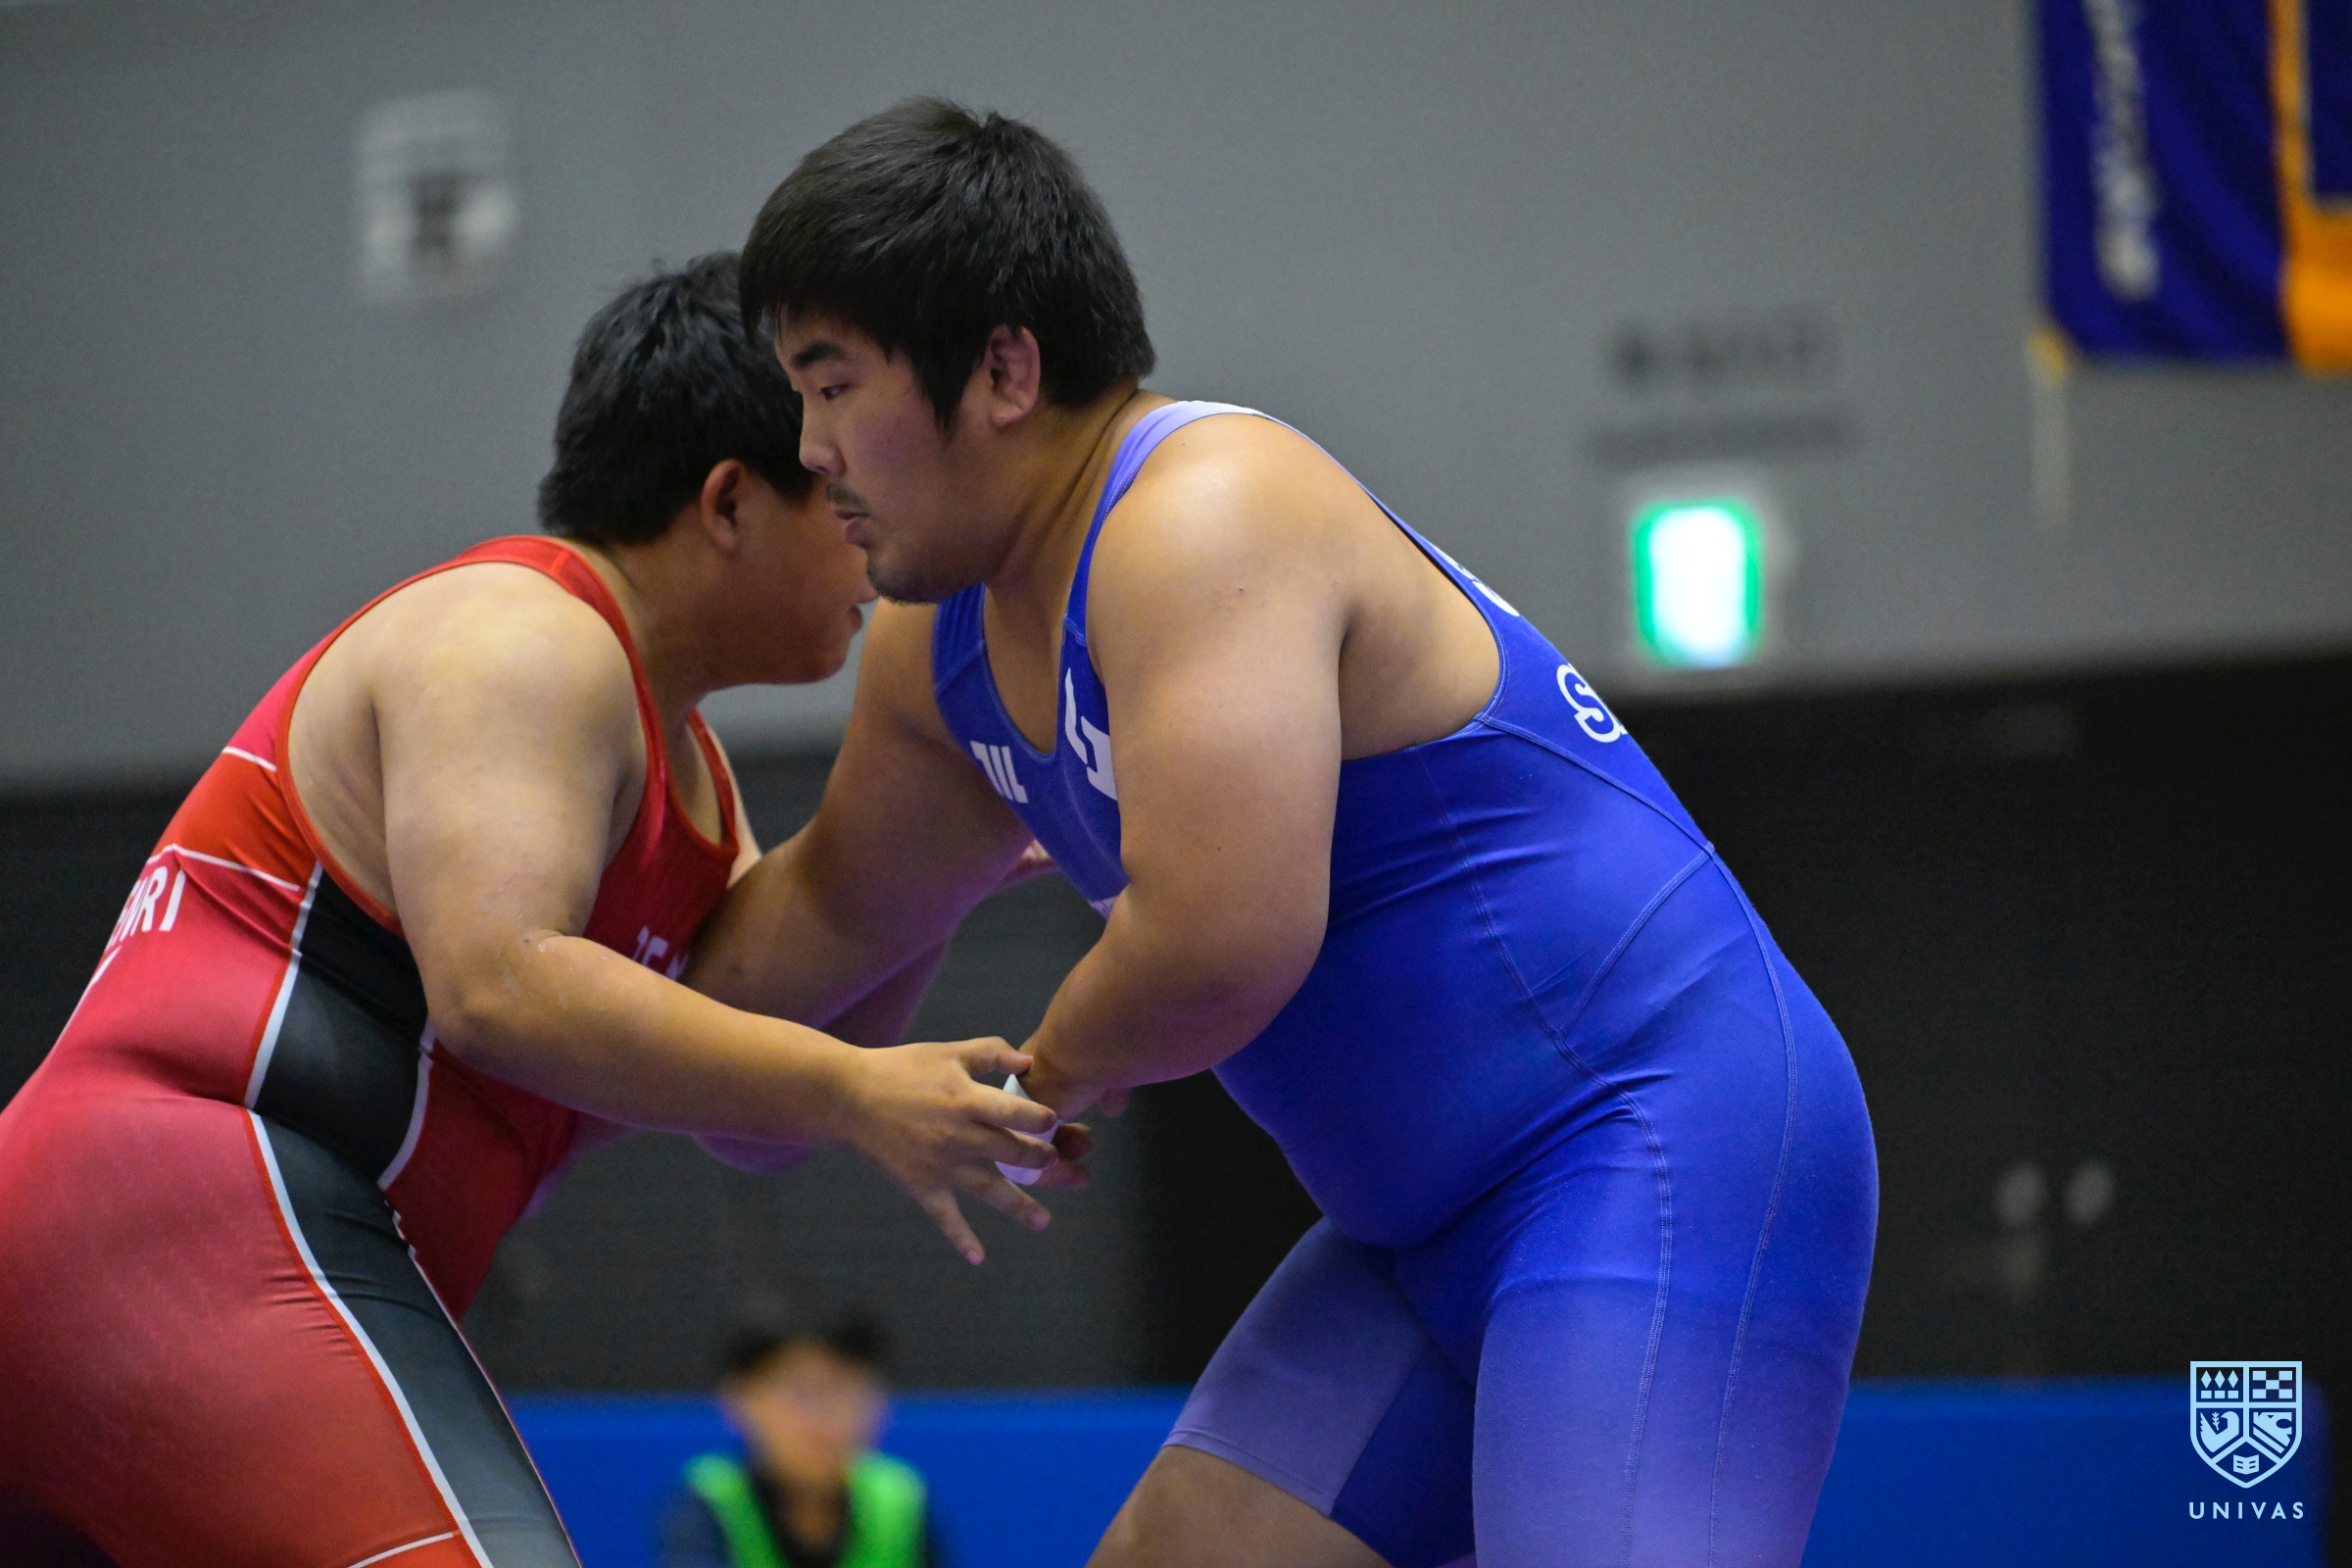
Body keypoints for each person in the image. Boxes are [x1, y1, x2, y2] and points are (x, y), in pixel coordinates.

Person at [692, 102, 1881, 1568]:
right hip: (1416, 1232)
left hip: (1658, 1143)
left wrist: (1031, 1085)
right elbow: (809, 944)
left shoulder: (1205, 516)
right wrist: (550, 954)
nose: (810, 451)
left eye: (831, 387)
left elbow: (1219, 948)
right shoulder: (937, 645)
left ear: (1003, 369)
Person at [0, 253, 1065, 1568]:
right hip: (176, 1217)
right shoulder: (519, 634)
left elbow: (750, 1121)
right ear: (731, 501)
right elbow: (498, 986)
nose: (868, 532)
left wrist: (942, 869)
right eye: (836, 491)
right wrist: (856, 1090)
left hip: (217, 1260)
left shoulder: (692, 784)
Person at [660, 1315, 941, 1568]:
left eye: (845, 1390)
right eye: (802, 1392)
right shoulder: (711, 1503)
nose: (825, 1415)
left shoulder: (899, 1500)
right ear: (741, 1398)